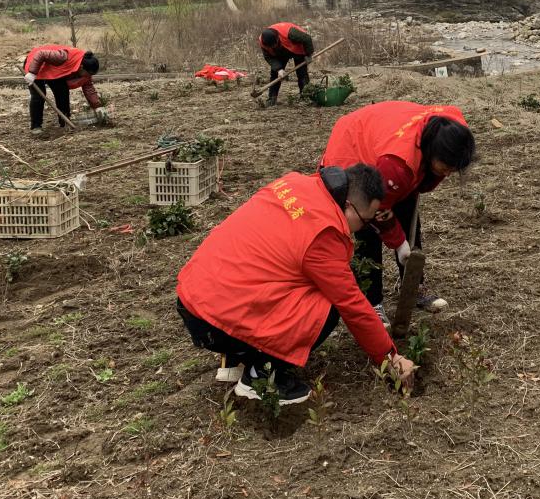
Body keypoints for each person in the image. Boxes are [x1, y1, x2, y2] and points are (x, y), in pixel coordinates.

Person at [176, 163, 417, 405]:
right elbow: (352, 305)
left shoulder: (297, 184)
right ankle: (262, 376)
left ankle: (238, 358)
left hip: (196, 296)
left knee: (276, 272)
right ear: (348, 206)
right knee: (327, 305)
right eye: (365, 221)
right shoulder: (323, 232)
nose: (363, 228)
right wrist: (390, 357)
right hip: (213, 320)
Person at [321, 102, 476, 322]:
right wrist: (399, 243)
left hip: (385, 139)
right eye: (446, 167)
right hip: (354, 147)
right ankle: (372, 301)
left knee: (409, 217)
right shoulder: (397, 165)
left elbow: (412, 188)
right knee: (367, 231)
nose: (449, 173)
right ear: (432, 152)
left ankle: (413, 286)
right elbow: (378, 209)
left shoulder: (453, 130)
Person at [22, 45, 104, 134]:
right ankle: (36, 126)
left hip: (54, 69)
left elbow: (89, 88)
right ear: (81, 67)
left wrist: (97, 107)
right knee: (38, 96)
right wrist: (32, 73)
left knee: (62, 92)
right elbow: (41, 54)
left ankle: (64, 122)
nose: (88, 76)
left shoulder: (85, 69)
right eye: (88, 74)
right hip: (35, 63)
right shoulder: (63, 57)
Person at [259, 22, 314, 105]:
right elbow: (269, 57)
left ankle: (306, 96)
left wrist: (308, 54)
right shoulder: (263, 42)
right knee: (275, 74)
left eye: (274, 45)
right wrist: (279, 69)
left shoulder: (290, 33)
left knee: (302, 73)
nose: (273, 47)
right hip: (280, 52)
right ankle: (272, 99)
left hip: (298, 48)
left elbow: (307, 38)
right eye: (271, 46)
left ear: (277, 38)